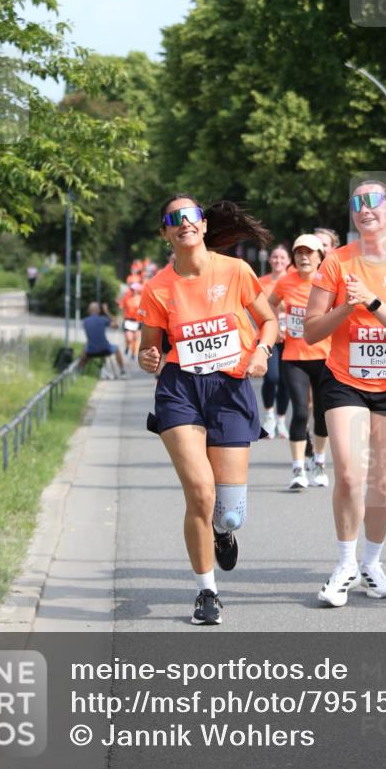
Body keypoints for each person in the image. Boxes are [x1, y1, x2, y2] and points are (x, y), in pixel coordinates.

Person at [137, 195, 278, 625]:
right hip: (180, 388)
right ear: (165, 232)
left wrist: (262, 351)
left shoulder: (235, 270)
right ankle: (206, 592)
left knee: (229, 510)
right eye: (173, 219)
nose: (184, 222)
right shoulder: (158, 286)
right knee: (199, 491)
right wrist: (148, 358)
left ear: (202, 224)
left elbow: (268, 321)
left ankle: (222, 531)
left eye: (190, 215)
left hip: (231, 387)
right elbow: (150, 347)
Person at [305, 180, 386, 606]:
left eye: (373, 201)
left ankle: (372, 562)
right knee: (349, 474)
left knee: (384, 483)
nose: (365, 208)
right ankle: (345, 564)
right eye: (357, 202)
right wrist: (347, 306)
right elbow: (311, 329)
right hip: (345, 379)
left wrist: (373, 302)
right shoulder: (336, 262)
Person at [269, 235, 333, 490]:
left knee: (321, 414)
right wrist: (276, 328)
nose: (304, 258)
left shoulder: (328, 281)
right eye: (299, 253)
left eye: (309, 253)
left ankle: (318, 462)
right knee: (300, 411)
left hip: (324, 357)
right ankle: (297, 469)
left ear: (320, 257)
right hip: (294, 356)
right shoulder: (286, 281)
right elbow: (270, 304)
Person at [258, 244, 292, 439]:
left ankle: (281, 420)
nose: (278, 261)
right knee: (271, 377)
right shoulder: (261, 282)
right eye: (275, 257)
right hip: (268, 336)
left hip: (291, 338)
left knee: (285, 381)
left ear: (288, 261)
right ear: (270, 260)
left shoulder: (295, 281)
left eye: (282, 258)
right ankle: (269, 415)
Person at [80, 301, 125, 375]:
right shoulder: (103, 320)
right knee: (117, 348)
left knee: (84, 348)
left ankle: (80, 371)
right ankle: (122, 370)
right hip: (105, 349)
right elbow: (116, 325)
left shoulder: (85, 321)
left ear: (88, 311)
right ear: (99, 310)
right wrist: (106, 311)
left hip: (91, 351)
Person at [120, 283, 142, 360]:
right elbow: (122, 307)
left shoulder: (141, 298)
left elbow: (145, 311)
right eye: (131, 289)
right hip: (128, 320)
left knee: (135, 338)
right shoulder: (126, 298)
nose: (132, 291)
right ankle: (127, 346)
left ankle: (133, 354)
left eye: (134, 289)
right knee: (129, 338)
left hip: (137, 321)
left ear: (138, 290)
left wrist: (141, 313)